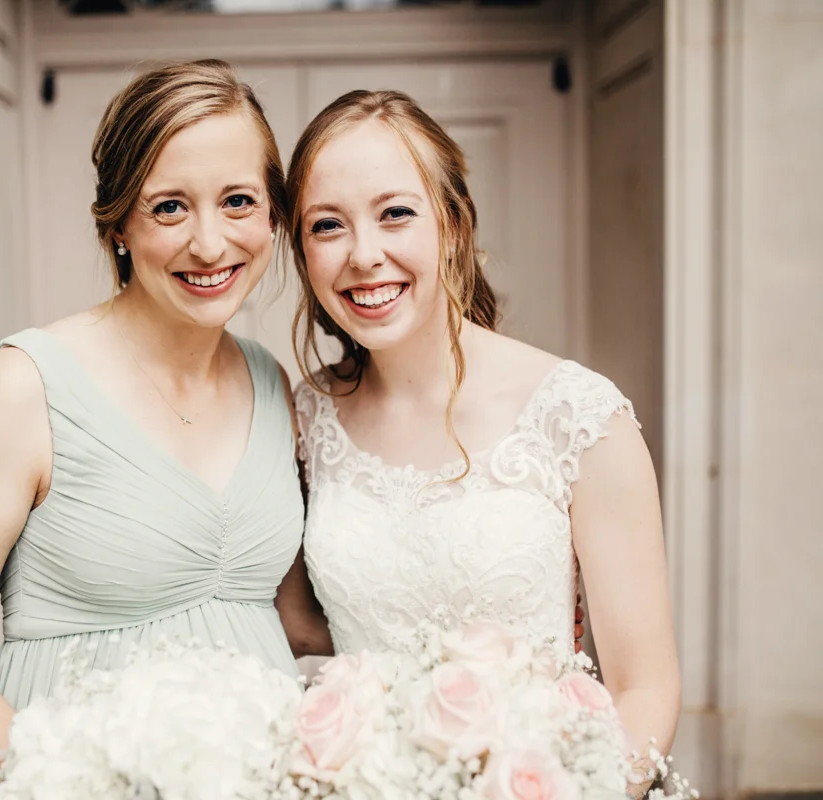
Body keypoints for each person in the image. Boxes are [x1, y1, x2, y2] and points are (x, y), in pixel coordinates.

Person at [0, 60, 307, 790]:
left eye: (238, 201)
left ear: (273, 216)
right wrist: (76, 783)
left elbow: (294, 622)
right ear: (118, 224)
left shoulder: (272, 383)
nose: (209, 244)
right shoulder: (18, 392)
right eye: (169, 208)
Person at [283, 90, 681, 787]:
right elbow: (298, 628)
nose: (364, 255)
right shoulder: (304, 419)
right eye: (327, 226)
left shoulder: (580, 417)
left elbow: (644, 687)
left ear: (455, 224)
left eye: (395, 213)